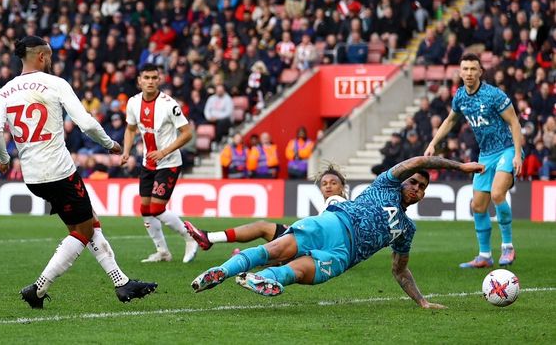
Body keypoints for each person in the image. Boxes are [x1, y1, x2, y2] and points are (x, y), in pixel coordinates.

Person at [0, 36, 157, 309]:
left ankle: (121, 282)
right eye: (50, 56)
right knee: (85, 230)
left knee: (86, 222)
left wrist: (5, 159)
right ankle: (38, 289)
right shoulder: (55, 84)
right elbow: (86, 123)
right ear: (42, 57)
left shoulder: (3, 92)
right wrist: (109, 144)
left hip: (32, 176)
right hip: (59, 171)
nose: (51, 61)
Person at [191, 155, 483, 306]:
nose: (416, 188)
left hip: (345, 255)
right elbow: (420, 161)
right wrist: (460, 167)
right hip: (335, 224)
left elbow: (400, 270)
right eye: (413, 182)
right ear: (404, 181)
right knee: (277, 249)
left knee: (299, 273)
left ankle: (263, 279)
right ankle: (221, 271)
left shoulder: (407, 229)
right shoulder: (386, 184)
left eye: (421, 187)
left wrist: (422, 301)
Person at [424, 52, 522, 268]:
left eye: (473, 69)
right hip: (485, 155)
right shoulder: (459, 97)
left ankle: (507, 247)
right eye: (465, 69)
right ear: (460, 72)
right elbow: (450, 121)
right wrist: (433, 143)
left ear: (480, 71)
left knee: (497, 194)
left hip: (506, 150)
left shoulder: (494, 95)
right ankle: (484, 255)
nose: (469, 73)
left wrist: (516, 154)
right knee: (478, 206)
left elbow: (514, 122)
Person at [121, 63, 199, 263]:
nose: (150, 81)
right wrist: (126, 151)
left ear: (159, 80)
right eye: (146, 77)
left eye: (154, 78)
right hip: (148, 163)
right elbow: (130, 129)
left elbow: (187, 133)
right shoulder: (133, 103)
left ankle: (190, 238)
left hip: (169, 163)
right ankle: (163, 252)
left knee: (157, 209)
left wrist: (164, 151)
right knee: (145, 209)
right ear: (139, 80)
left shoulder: (169, 104)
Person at [184, 163, 348, 251]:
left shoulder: (335, 201)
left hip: (313, 245)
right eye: (324, 183)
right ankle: (219, 245)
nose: (328, 186)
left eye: (333, 183)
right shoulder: (338, 204)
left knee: (262, 228)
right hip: (312, 241)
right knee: (264, 232)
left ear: (341, 188)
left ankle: (212, 240)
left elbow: (328, 230)